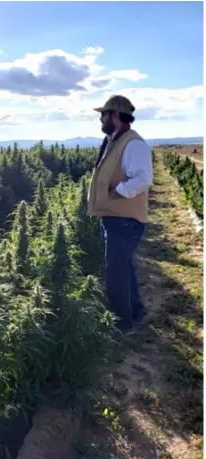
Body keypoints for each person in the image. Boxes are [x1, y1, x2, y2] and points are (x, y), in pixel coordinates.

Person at [87, 95, 153, 339]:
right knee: (124, 267)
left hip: (124, 219)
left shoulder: (133, 144)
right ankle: (135, 312)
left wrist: (118, 192)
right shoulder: (114, 140)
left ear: (115, 115)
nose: (100, 119)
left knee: (115, 271)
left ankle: (120, 325)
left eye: (103, 114)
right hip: (115, 217)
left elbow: (143, 179)